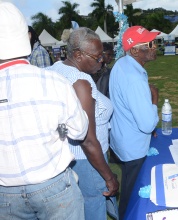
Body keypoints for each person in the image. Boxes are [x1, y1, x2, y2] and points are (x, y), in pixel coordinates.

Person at [0, 2, 89, 219]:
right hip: (54, 187)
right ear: (26, 36)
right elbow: (79, 130)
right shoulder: (53, 81)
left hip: (5, 194)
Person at [47, 27, 119, 220]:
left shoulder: (55, 69)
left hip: (69, 157)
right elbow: (87, 139)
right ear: (78, 55)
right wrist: (108, 176)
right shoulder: (80, 81)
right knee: (93, 208)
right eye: (96, 57)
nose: (101, 60)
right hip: (89, 161)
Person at [109, 26, 159, 219]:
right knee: (131, 198)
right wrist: (154, 99)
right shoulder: (134, 78)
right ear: (136, 50)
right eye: (150, 44)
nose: (155, 47)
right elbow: (147, 125)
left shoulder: (122, 64)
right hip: (134, 148)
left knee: (130, 187)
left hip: (122, 138)